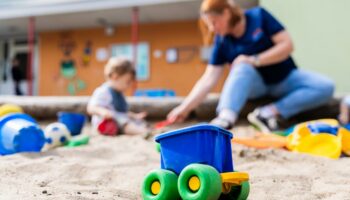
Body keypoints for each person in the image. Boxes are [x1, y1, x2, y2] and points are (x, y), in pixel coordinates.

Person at [167, 0, 334, 133]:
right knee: (241, 66)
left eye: (214, 22)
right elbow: (209, 78)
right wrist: (184, 108)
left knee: (325, 86)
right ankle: (225, 118)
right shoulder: (222, 41)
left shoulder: (259, 16)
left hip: (285, 78)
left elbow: (287, 45)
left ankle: (269, 112)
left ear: (226, 13)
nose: (212, 28)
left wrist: (254, 59)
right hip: (256, 87)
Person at [87, 57, 151, 137]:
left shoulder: (119, 93)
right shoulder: (103, 91)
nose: (128, 85)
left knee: (137, 121)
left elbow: (122, 112)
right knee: (123, 121)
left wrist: (135, 116)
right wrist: (102, 112)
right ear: (115, 76)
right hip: (105, 124)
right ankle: (141, 131)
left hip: (118, 120)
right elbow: (91, 108)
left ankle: (142, 129)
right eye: (127, 82)